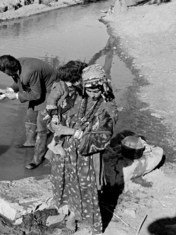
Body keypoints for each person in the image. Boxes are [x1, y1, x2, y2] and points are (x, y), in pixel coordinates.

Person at [48, 64, 118, 234]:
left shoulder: (108, 108)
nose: (93, 95)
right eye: (90, 90)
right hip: (66, 151)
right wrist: (55, 122)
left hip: (86, 156)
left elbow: (102, 138)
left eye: (97, 90)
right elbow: (62, 115)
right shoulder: (78, 98)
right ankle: (65, 211)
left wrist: (72, 132)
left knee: (83, 188)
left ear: (104, 86)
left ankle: (75, 216)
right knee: (64, 182)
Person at [0, 55, 58, 170]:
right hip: (39, 88)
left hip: (50, 91)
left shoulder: (30, 71)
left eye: (8, 73)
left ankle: (37, 158)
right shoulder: (17, 64)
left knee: (41, 126)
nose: (8, 75)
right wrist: (7, 91)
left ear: (13, 67)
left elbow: (36, 94)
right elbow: (19, 81)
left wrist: (15, 96)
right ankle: (30, 142)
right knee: (30, 116)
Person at [43, 60, 88, 159]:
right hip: (57, 112)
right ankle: (54, 145)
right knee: (60, 127)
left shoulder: (74, 86)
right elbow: (51, 103)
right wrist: (53, 115)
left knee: (61, 129)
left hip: (65, 110)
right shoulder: (59, 87)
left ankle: (54, 145)